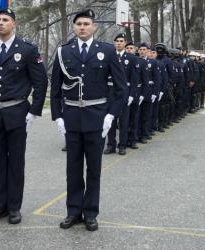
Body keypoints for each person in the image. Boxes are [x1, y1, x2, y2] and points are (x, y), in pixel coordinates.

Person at [0, 8, 48, 224]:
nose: (0, 23)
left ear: (14, 24)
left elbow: (40, 82)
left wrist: (34, 111)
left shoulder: (27, 49)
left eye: (5, 20)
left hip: (16, 113)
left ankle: (14, 207)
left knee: (15, 162)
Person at [50, 9, 125, 231]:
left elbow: (121, 89)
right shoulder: (64, 52)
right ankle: (73, 211)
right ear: (74, 27)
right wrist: (58, 116)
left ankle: (90, 212)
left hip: (97, 118)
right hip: (72, 117)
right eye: (78, 24)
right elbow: (55, 89)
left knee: (94, 168)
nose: (82, 27)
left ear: (94, 27)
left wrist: (111, 115)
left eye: (86, 23)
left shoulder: (108, 51)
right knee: (73, 168)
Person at [104, 33, 140, 155]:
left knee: (124, 121)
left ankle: (122, 145)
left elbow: (135, 80)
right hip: (110, 93)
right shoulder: (109, 56)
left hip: (124, 93)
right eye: (117, 41)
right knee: (111, 121)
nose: (119, 43)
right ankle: (111, 145)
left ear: (125, 43)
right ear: (114, 43)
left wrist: (131, 95)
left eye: (121, 41)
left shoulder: (131, 58)